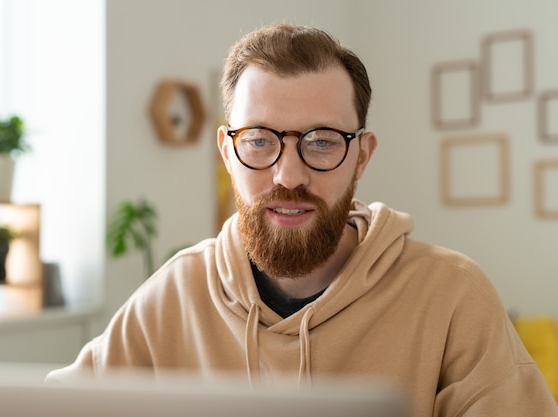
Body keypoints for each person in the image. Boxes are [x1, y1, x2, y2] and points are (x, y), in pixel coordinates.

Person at [47, 23, 558, 415]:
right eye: (260, 141)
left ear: (361, 156)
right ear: (227, 153)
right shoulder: (172, 295)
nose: (288, 174)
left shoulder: (453, 296)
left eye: (320, 142)